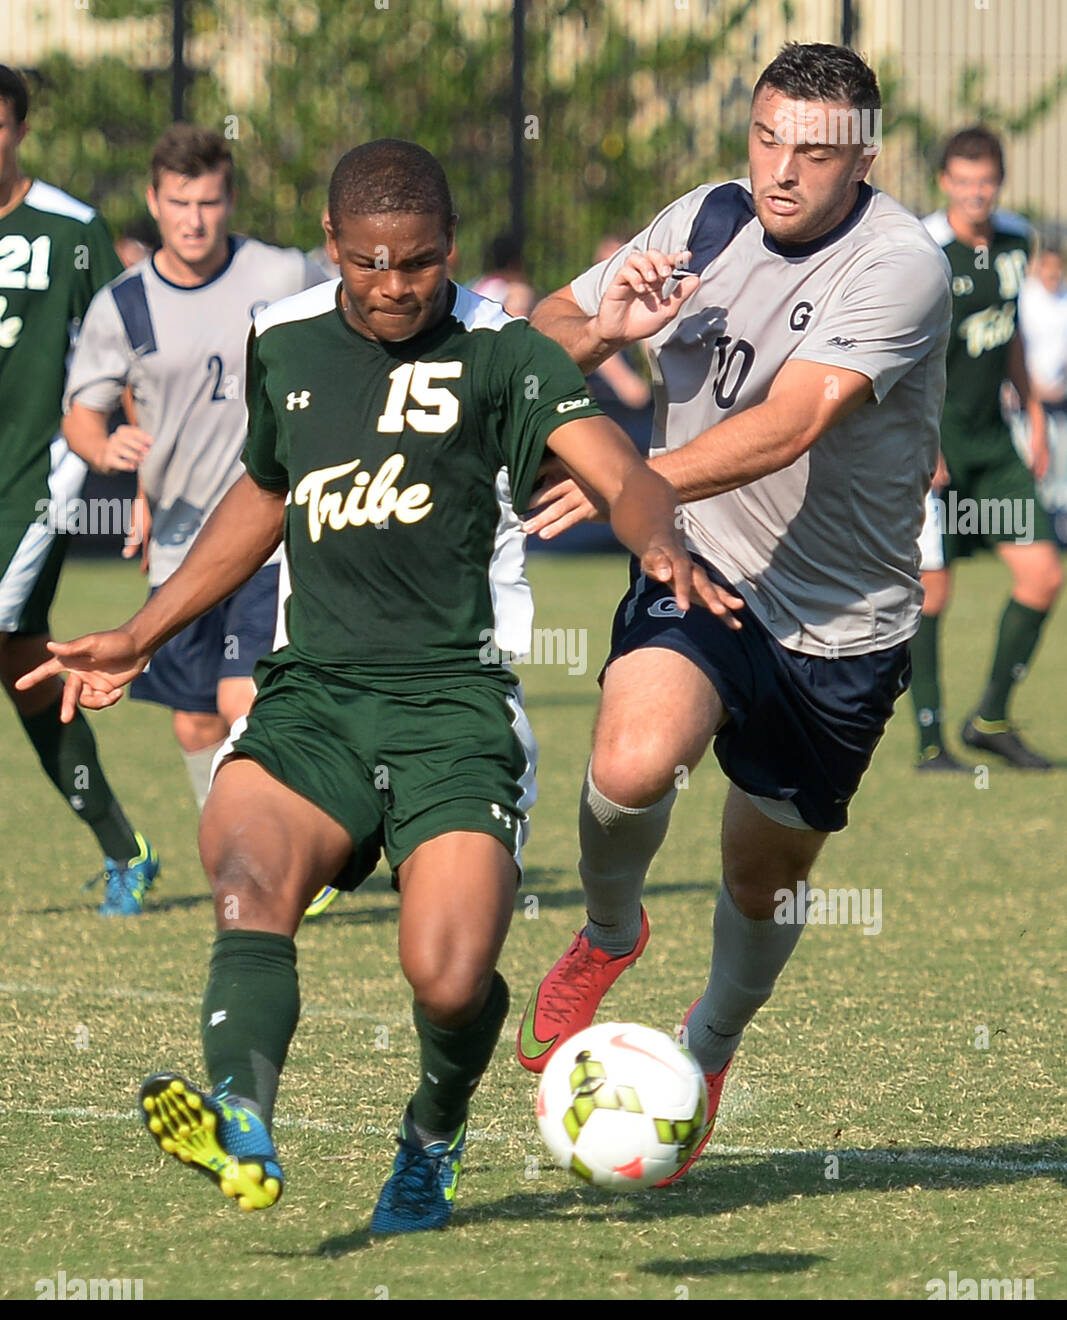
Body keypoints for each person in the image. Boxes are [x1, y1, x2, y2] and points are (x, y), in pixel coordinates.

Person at [17, 138, 719, 1233]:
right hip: (313, 697)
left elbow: (615, 468)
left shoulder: (505, 353)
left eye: (419, 264)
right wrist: (143, 630)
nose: (393, 289)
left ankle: (431, 1134)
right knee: (244, 866)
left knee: (447, 979)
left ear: (447, 249)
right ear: (333, 247)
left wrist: (657, 537)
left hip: (454, 708)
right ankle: (241, 1113)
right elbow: (263, 494)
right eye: (369, 265)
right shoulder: (284, 337)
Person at [516, 42, 952, 1182]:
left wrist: (642, 480)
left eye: (812, 151)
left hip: (841, 627)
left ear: (863, 158)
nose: (779, 171)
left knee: (762, 876)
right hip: (705, 569)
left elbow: (792, 419)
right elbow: (539, 340)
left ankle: (704, 1050)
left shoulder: (898, 263)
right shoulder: (706, 218)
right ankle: (611, 931)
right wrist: (605, 324)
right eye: (765, 139)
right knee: (629, 762)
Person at [62, 124, 328, 821]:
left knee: (245, 696)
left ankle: (293, 847)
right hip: (179, 542)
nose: (194, 219)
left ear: (230, 199)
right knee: (194, 722)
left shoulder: (281, 275)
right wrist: (102, 451)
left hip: (271, 530)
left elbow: (357, 314)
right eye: (180, 202)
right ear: (154, 202)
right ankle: (240, 845)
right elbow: (81, 414)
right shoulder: (121, 305)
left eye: (208, 202)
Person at [0, 64, 157, 916]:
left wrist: (144, 477)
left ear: (20, 126)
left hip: (38, 477)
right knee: (22, 667)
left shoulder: (71, 230)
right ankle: (123, 846)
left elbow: (123, 352)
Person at [911, 127, 1062, 771]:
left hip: (995, 446)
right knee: (933, 594)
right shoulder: (923, 249)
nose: (976, 194)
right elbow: (905, 355)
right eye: (963, 181)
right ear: (945, 182)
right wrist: (922, 442)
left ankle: (991, 719)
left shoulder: (1016, 238)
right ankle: (928, 742)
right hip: (933, 445)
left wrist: (1030, 413)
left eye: (987, 181)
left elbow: (1013, 337)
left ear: (999, 182)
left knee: (1042, 575)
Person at [1018, 244, 1067, 543]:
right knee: (1031, 462)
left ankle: (1056, 531)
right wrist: (1030, 386)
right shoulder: (1027, 300)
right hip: (1027, 397)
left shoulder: (1063, 300)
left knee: (1060, 467)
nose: (1053, 274)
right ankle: (1028, 531)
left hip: (1060, 397)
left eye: (1058, 268)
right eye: (1047, 268)